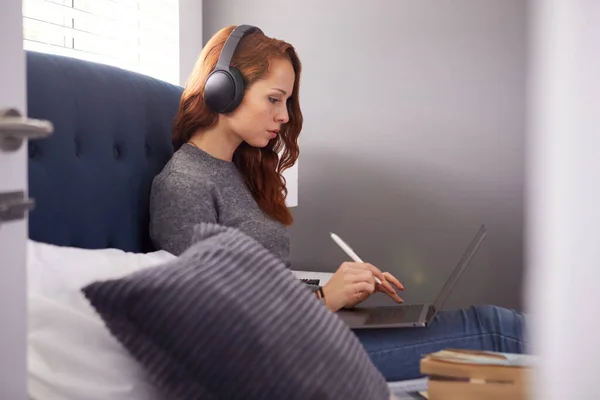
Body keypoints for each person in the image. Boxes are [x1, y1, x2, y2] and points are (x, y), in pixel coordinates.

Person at [149, 25, 527, 382]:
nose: (283, 116)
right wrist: (325, 298)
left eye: (287, 102)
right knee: (492, 331)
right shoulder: (185, 185)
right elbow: (213, 333)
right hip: (283, 361)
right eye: (274, 99)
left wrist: (337, 287)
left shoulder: (239, 170)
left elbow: (259, 287)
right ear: (223, 89)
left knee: (493, 325)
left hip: (306, 335)